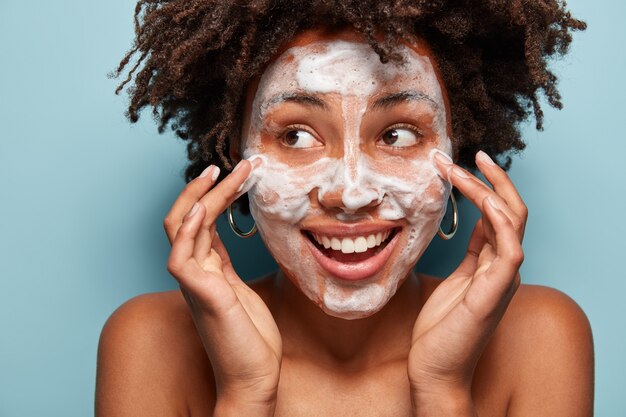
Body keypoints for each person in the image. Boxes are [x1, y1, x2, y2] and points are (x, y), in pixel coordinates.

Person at [96, 1, 593, 416]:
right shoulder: (150, 344)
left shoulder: (540, 337)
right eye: (295, 135)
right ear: (234, 157)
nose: (351, 193)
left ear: (456, 151)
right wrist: (245, 395)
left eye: (397, 135)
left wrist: (442, 390)